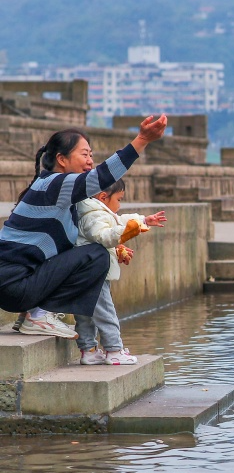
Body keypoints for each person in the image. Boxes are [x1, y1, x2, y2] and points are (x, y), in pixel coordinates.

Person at [0, 115, 168, 338]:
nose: (90, 161)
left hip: (14, 286)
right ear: (62, 159)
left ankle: (33, 313)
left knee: (94, 252)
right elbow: (101, 176)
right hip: (14, 284)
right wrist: (141, 140)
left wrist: (118, 246)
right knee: (97, 256)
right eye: (85, 154)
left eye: (92, 155)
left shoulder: (59, 194)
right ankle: (40, 314)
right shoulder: (56, 184)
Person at [73, 178, 166, 365]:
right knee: (106, 313)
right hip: (95, 275)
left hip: (82, 273)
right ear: (103, 197)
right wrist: (128, 232)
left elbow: (118, 221)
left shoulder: (94, 211)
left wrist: (142, 221)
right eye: (119, 199)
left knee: (85, 315)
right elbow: (105, 235)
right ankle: (114, 350)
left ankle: (89, 351)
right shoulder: (94, 216)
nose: (120, 204)